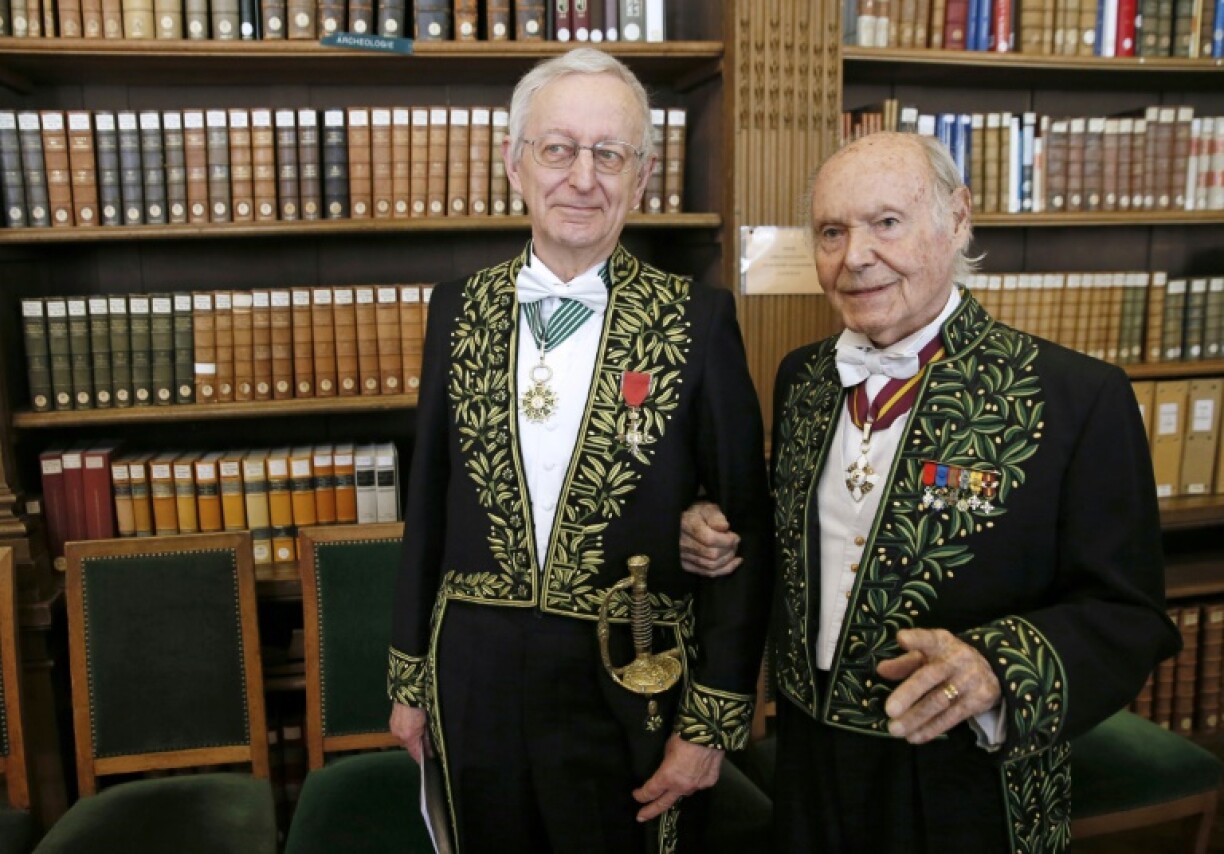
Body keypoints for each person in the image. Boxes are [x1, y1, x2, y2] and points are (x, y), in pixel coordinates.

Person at [680, 131, 1180, 852]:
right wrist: (708, 521)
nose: (855, 256)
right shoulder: (803, 379)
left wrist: (995, 669)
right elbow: (782, 533)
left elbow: (1128, 616)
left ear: (958, 218)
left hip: (969, 782)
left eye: (887, 222)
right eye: (832, 231)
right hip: (812, 763)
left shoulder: (1077, 397)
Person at [386, 46, 773, 854]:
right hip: (474, 677)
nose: (582, 177)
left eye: (610, 154)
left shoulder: (698, 320)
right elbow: (426, 500)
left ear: (642, 177)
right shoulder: (456, 309)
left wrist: (712, 722)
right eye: (558, 148)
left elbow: (746, 532)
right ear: (514, 163)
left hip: (630, 680)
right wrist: (410, 677)